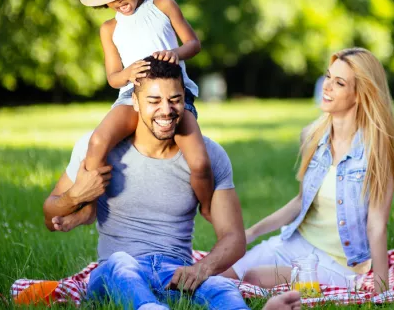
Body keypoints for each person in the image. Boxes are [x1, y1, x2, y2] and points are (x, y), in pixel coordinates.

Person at [42, 58, 300, 310]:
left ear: (185, 101)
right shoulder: (98, 149)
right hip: (115, 272)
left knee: (221, 287)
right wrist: (74, 197)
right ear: (135, 101)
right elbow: (49, 215)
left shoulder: (211, 155)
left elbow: (234, 237)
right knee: (121, 263)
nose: (166, 110)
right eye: (153, 101)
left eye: (175, 100)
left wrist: (203, 267)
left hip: (176, 274)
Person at [222, 48, 394, 294]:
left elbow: (377, 225)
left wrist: (383, 290)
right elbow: (300, 201)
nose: (327, 86)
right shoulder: (312, 136)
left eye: (339, 83)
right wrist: (250, 233)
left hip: (338, 265)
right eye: (328, 77)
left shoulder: (376, 153)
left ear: (360, 94)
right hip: (295, 242)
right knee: (220, 274)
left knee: (253, 278)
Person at [78, 0, 214, 226]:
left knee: (199, 162)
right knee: (98, 140)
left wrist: (175, 54)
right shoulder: (109, 29)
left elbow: (194, 43)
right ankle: (88, 205)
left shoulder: (163, 6)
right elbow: (113, 77)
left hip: (173, 96)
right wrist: (127, 73)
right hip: (131, 95)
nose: (119, 2)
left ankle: (208, 208)